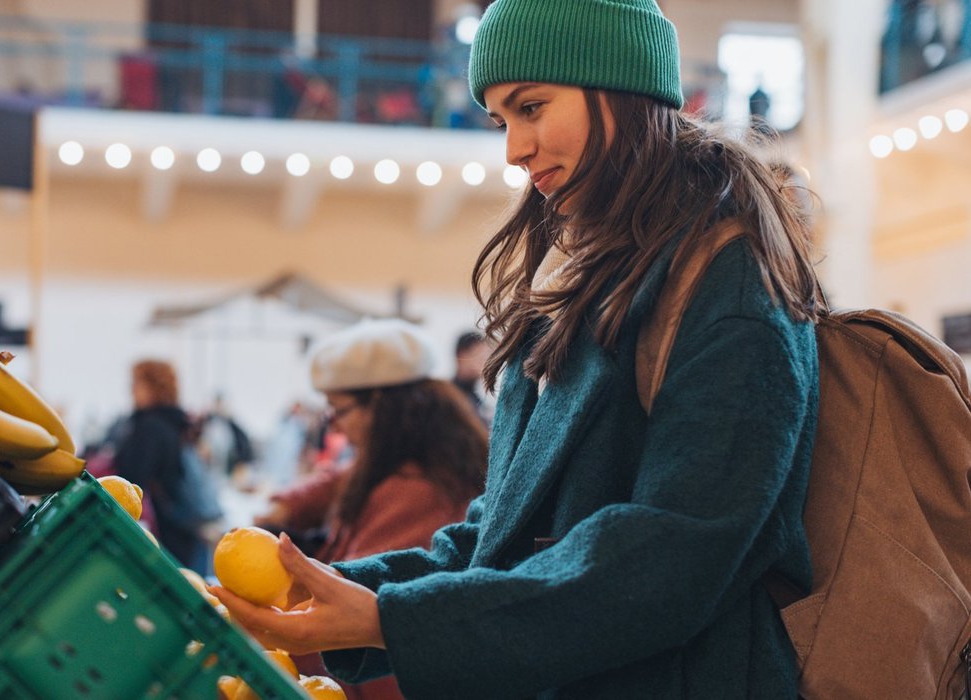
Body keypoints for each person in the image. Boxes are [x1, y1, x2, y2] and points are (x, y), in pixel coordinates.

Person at [209, 1, 824, 698]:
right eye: (502, 119)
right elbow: (500, 536)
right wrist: (334, 593)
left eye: (531, 107)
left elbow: (674, 554)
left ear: (622, 83)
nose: (513, 148)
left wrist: (390, 620)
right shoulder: (590, 277)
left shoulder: (729, 279)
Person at [254, 319, 488, 700]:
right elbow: (339, 479)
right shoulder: (416, 459)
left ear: (380, 406)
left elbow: (342, 608)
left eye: (338, 410)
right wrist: (288, 504)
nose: (338, 429)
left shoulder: (417, 489)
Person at [112, 359, 219, 574]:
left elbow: (130, 482)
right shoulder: (178, 423)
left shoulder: (151, 427)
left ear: (153, 388)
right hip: (186, 526)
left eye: (137, 383)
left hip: (166, 528)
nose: (131, 389)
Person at [451, 330, 493, 429]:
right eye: (480, 356)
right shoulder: (449, 397)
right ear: (462, 356)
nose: (485, 362)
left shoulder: (477, 399)